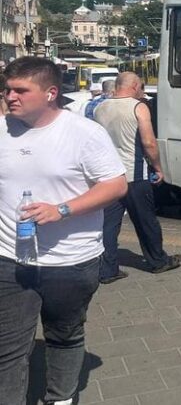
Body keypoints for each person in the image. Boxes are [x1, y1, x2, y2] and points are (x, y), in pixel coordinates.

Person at [0, 57, 127, 405]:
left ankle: (60, 397)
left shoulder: (84, 133)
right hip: (10, 258)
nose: (11, 96)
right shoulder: (1, 129)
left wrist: (62, 210)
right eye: (7, 89)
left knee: (64, 335)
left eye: (20, 90)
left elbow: (115, 186)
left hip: (71, 260)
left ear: (51, 92)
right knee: (8, 345)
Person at [93, 72, 181, 284]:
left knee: (109, 224)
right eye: (141, 86)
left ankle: (107, 269)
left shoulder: (100, 108)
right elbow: (149, 143)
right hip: (135, 175)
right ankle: (158, 261)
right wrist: (158, 167)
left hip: (109, 176)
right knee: (145, 221)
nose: (142, 90)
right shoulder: (138, 107)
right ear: (133, 86)